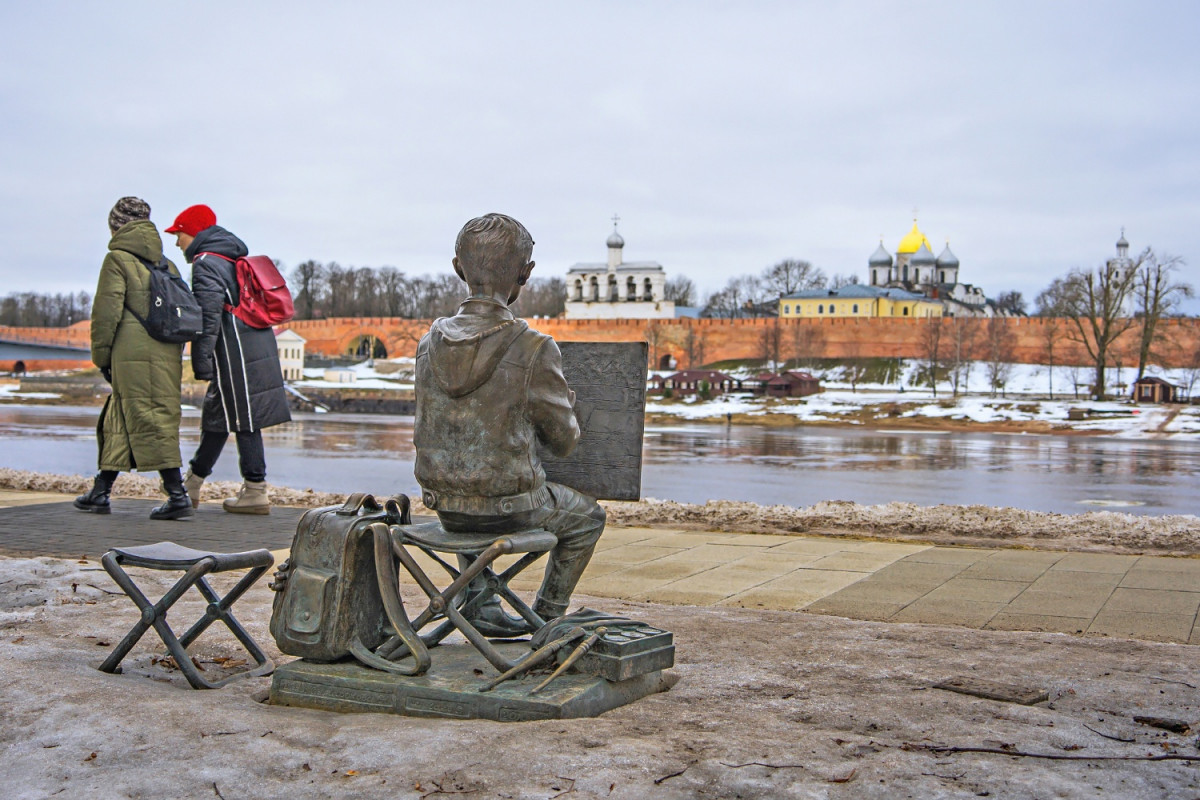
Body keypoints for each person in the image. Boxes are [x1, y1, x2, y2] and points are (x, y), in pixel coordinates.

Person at [413, 213, 605, 634]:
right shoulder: (533, 347)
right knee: (589, 518)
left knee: (473, 490)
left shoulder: (428, 343)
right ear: (525, 273)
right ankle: (548, 618)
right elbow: (565, 443)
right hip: (510, 510)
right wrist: (566, 408)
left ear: (458, 268)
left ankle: (481, 607)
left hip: (444, 506)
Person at [165, 204, 291, 514]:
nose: (176, 241)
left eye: (178, 234)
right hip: (253, 340)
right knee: (218, 414)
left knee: (245, 417)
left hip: (234, 347)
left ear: (191, 232)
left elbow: (207, 318)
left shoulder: (206, 262)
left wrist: (201, 361)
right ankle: (192, 482)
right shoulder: (230, 257)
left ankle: (256, 489)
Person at [74, 197, 191, 519]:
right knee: (126, 415)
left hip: (131, 352)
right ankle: (100, 490)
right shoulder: (167, 264)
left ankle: (178, 495)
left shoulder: (117, 259)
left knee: (150, 418)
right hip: (166, 350)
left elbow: (106, 314)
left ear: (116, 225)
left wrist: (101, 357)